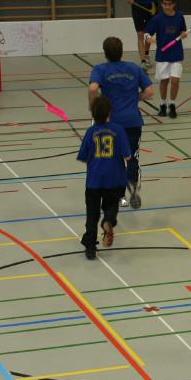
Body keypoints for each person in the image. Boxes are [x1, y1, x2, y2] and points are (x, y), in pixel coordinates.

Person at [88, 37, 154, 209]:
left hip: (111, 122)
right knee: (132, 157)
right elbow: (149, 91)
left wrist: (93, 107)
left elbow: (93, 88)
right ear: (121, 51)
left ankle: (120, 196)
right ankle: (133, 187)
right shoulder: (134, 68)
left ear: (105, 53)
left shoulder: (100, 69)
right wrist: (134, 99)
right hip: (132, 121)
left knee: (113, 159)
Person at [77, 97, 131, 260]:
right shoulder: (119, 130)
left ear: (93, 114)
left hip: (95, 179)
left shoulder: (90, 132)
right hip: (115, 178)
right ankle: (108, 221)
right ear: (109, 113)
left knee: (92, 213)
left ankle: (90, 247)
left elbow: (83, 157)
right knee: (112, 205)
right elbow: (127, 156)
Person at [143, 0, 187, 119]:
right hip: (162, 55)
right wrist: (148, 38)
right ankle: (162, 104)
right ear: (162, 5)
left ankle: (172, 105)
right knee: (164, 81)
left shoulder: (179, 16)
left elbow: (183, 30)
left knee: (175, 80)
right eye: (165, 4)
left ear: (174, 4)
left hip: (176, 54)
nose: (167, 7)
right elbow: (147, 32)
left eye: (170, 4)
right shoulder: (157, 19)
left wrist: (183, 34)